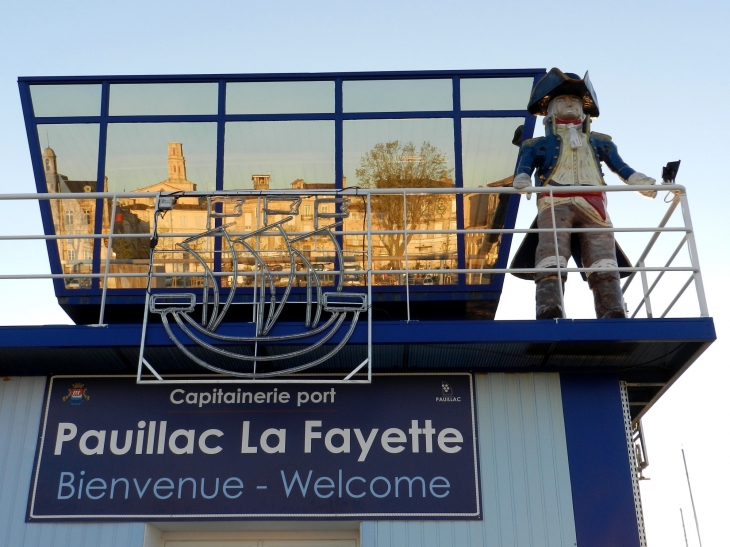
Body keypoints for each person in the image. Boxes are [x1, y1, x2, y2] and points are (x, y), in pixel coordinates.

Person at [511, 68, 656, 319]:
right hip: (554, 200)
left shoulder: (601, 142)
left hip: (594, 203)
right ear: (551, 109)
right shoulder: (535, 145)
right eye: (562, 101)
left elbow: (620, 167)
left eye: (574, 101)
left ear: (583, 108)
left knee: (603, 255)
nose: (569, 105)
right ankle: (549, 306)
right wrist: (522, 178)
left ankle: (611, 306)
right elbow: (523, 169)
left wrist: (638, 181)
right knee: (551, 250)